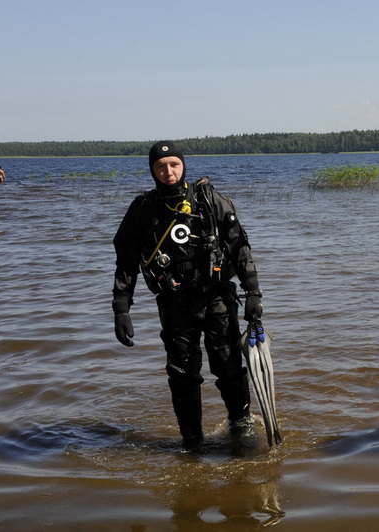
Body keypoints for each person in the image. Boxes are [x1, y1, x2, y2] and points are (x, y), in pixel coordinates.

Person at [111, 141, 264, 449]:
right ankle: (192, 440)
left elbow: (239, 247)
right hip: (173, 302)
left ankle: (241, 427)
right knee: (182, 375)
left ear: (183, 166)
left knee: (228, 365)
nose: (168, 171)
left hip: (217, 296)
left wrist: (253, 292)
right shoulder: (142, 209)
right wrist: (121, 308)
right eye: (160, 166)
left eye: (174, 165)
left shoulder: (210, 201)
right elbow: (126, 260)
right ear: (152, 170)